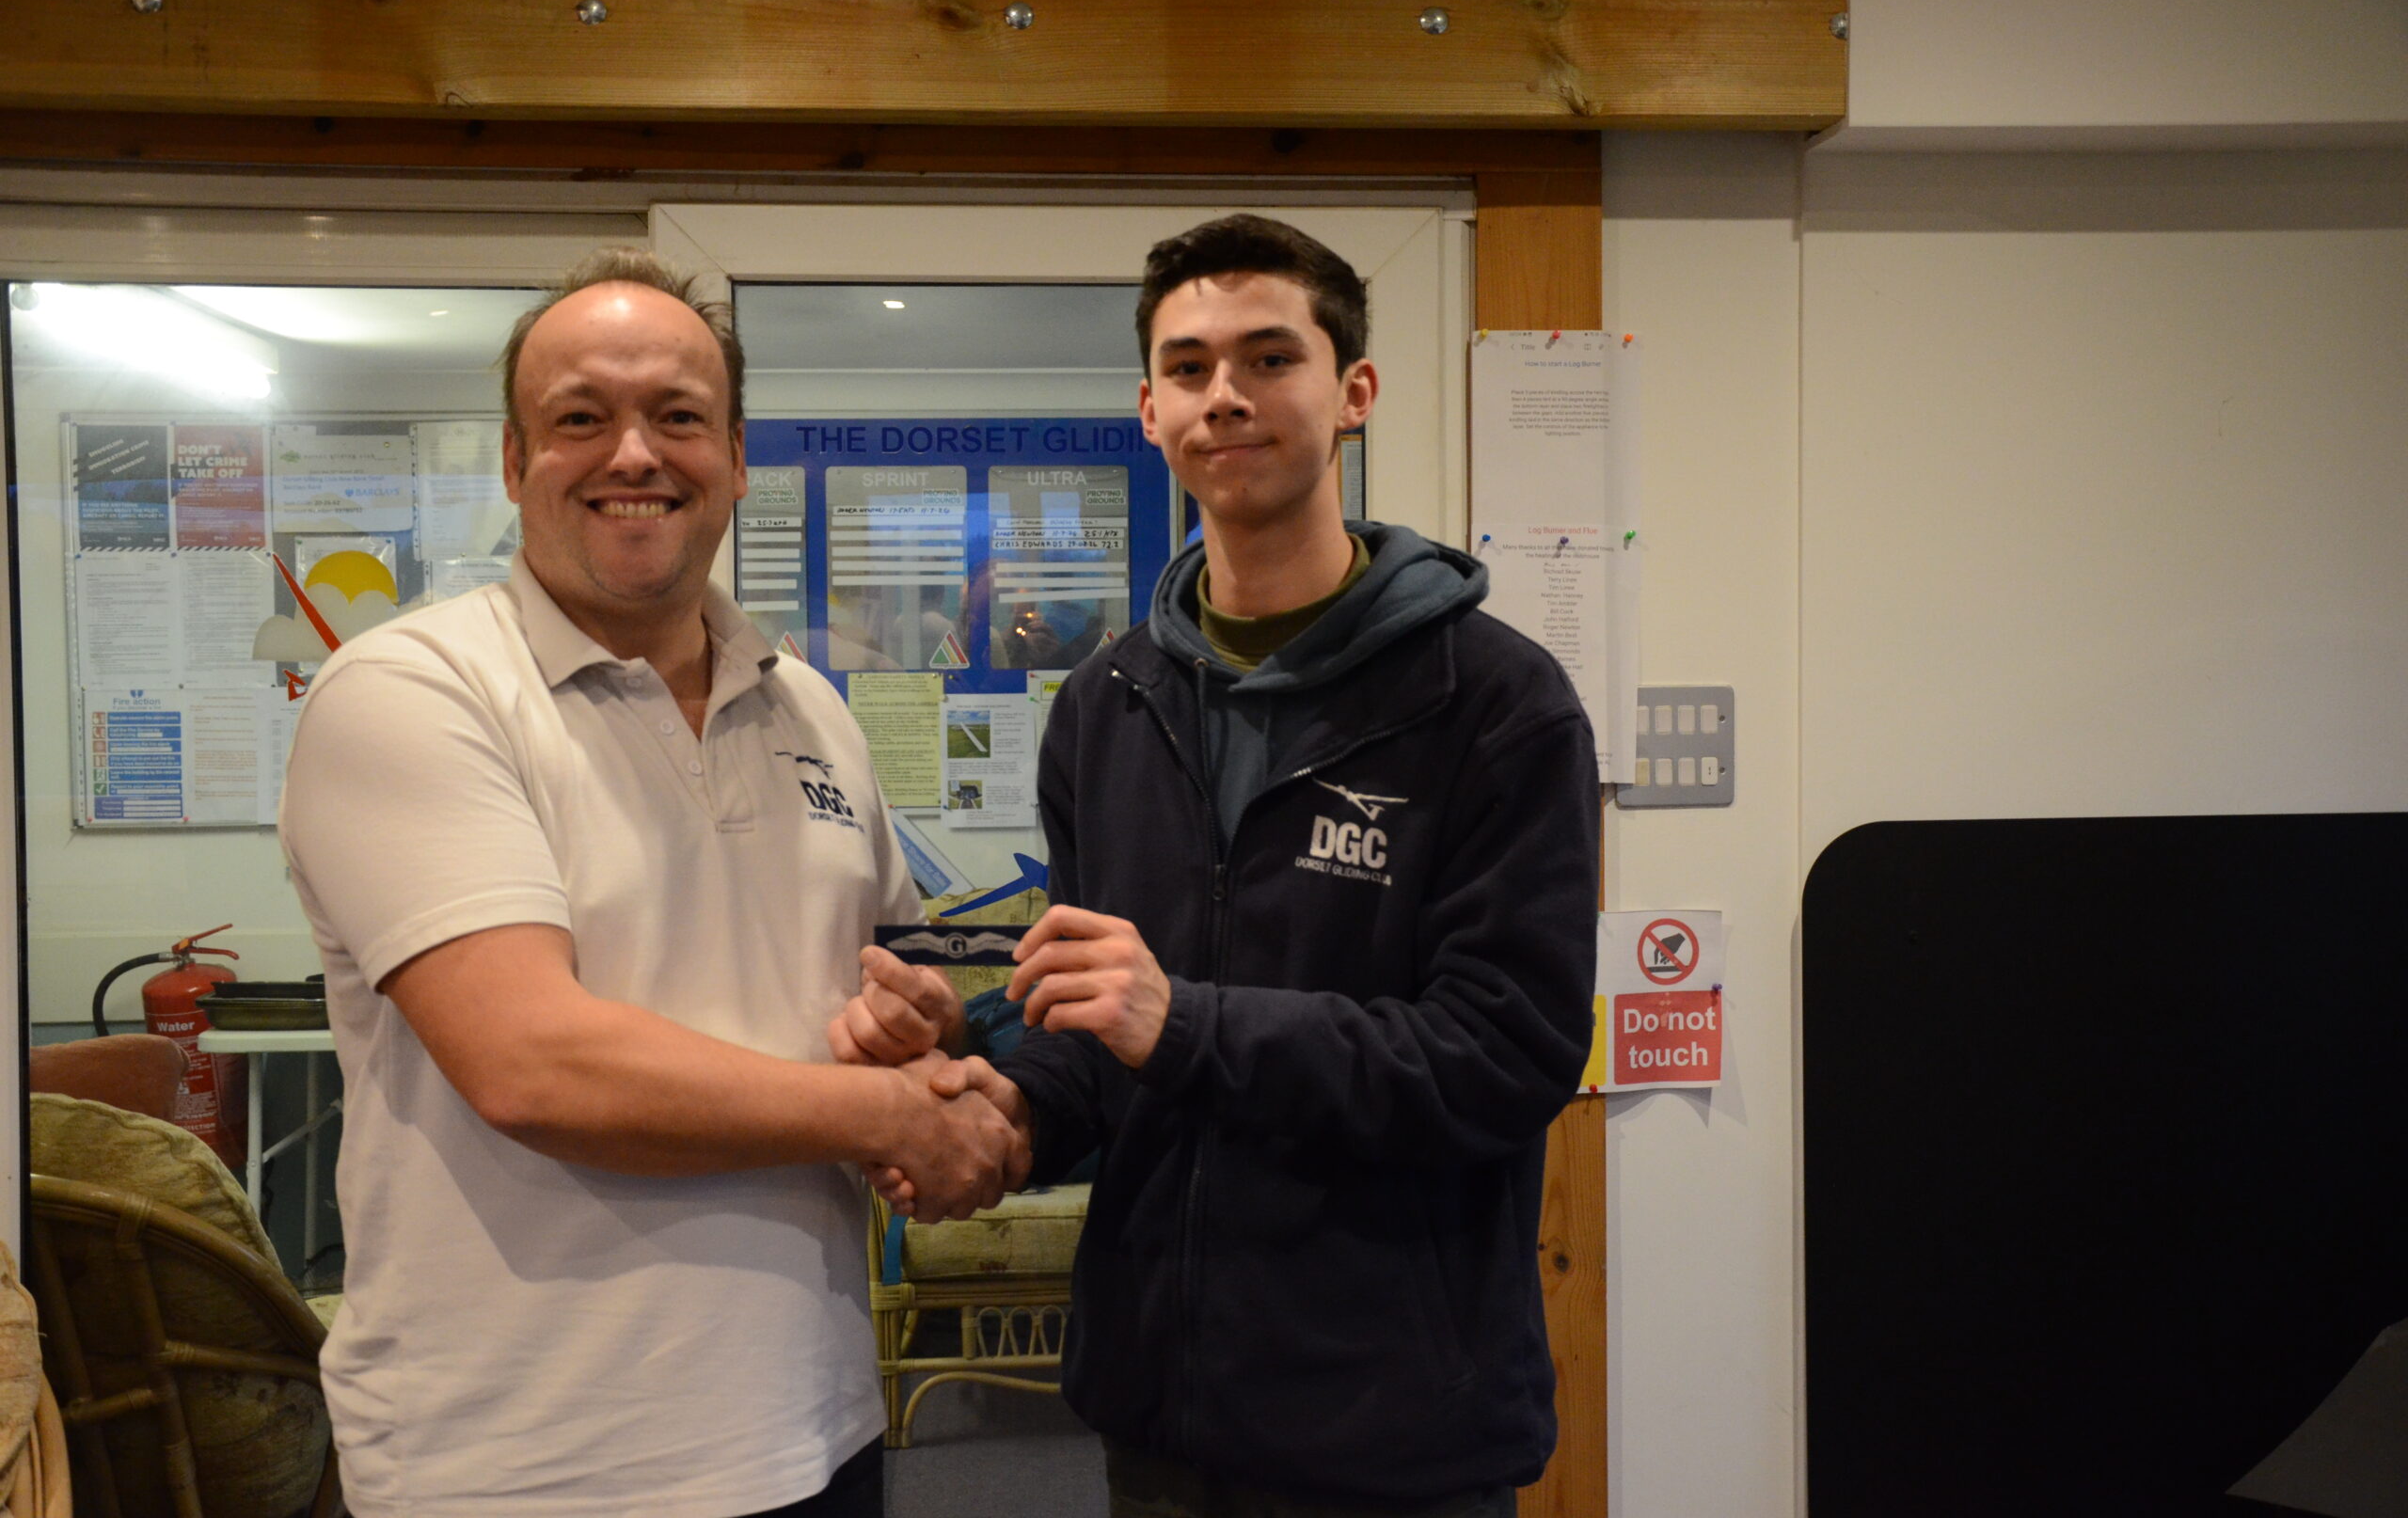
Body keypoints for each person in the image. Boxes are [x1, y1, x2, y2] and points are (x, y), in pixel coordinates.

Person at [840, 214, 1600, 1515]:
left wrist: (1182, 1021)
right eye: (1188, 368)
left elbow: (1506, 1058)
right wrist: (999, 1102)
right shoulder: (1107, 703)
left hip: (1399, 1428)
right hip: (1162, 1412)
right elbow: (1097, 1033)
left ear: (1352, 391)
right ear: (1148, 409)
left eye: (1268, 357)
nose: (1226, 396)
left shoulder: (1496, 703)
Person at [279, 247, 1021, 1518]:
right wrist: (896, 1122)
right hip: (527, 1465)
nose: (635, 454)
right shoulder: (415, 693)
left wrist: (922, 1028)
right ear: (516, 465)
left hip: (813, 1424)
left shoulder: (808, 710)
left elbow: (883, 983)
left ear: (736, 458)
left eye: (678, 416)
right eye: (582, 418)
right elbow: (536, 1063)